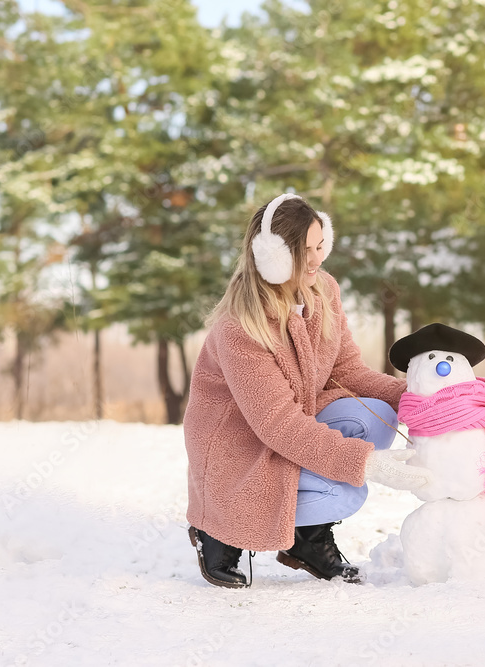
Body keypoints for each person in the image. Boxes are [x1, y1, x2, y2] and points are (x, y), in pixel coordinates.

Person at [183, 193, 430, 588]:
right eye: (303, 252)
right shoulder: (240, 327)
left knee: (378, 418)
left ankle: (304, 539)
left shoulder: (323, 291)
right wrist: (366, 463)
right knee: (348, 493)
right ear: (272, 256)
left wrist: (418, 398)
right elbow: (279, 425)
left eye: (320, 247)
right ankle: (219, 526)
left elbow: (347, 371)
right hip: (239, 447)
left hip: (292, 422)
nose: (316, 260)